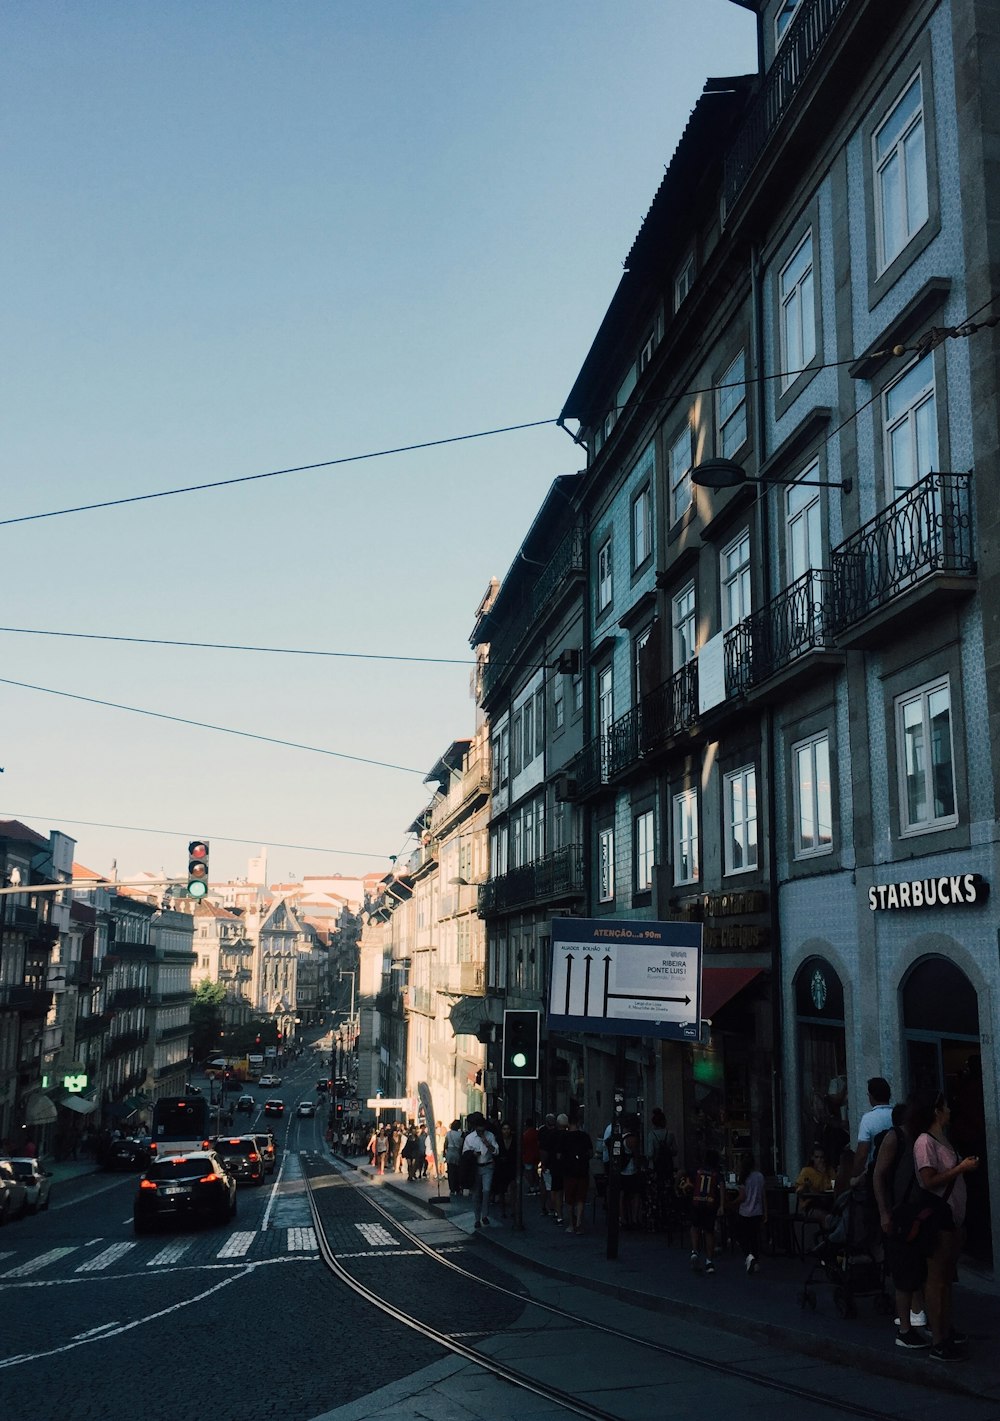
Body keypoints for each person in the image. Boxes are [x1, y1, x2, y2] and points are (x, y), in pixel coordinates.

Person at [912, 1089, 979, 1361]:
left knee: (947, 1279)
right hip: (938, 1217)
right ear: (936, 1111)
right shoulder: (925, 1142)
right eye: (946, 1107)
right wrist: (961, 1168)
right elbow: (928, 1180)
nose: (950, 1111)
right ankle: (938, 1339)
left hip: (953, 1218)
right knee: (937, 1278)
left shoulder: (944, 1139)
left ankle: (946, 1332)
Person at [873, 1101, 929, 1351]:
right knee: (904, 1272)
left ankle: (920, 1318)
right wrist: (885, 1212)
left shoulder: (921, 1138)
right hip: (900, 1213)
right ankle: (905, 1329)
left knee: (917, 1270)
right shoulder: (894, 1138)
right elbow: (878, 1175)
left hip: (919, 1213)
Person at [852, 1077, 894, 1182]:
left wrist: (855, 1176)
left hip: (876, 1174)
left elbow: (862, 1154)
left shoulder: (868, 1119)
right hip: (897, 1173)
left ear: (871, 1096)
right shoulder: (896, 1115)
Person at [462, 1112, 499, 1228]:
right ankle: (477, 1218)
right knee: (476, 1194)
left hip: (488, 1166)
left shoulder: (490, 1136)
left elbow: (496, 1151)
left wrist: (487, 1144)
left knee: (486, 1191)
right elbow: (464, 1153)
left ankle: (485, 1215)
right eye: (478, 1130)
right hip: (475, 1167)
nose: (480, 1132)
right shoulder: (470, 1138)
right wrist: (472, 1154)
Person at [689, 1150, 723, 1274]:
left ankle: (694, 1251)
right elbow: (722, 1187)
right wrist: (722, 1205)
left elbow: (684, 1174)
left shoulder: (698, 1170)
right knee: (709, 1232)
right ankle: (709, 1260)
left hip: (697, 1201)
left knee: (695, 1226)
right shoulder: (716, 1173)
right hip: (710, 1203)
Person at [559, 1116, 594, 1234]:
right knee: (580, 1198)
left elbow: (559, 1155)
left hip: (569, 1171)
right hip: (582, 1171)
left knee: (569, 1199)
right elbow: (590, 1153)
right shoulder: (585, 1136)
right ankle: (579, 1223)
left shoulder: (564, 1137)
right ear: (579, 1123)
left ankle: (571, 1224)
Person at [734, 1152, 767, 1273]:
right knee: (754, 1237)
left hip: (745, 1211)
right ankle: (755, 1260)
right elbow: (763, 1196)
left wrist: (732, 1203)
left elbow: (742, 1196)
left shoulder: (743, 1177)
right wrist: (765, 1212)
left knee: (742, 1236)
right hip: (757, 1211)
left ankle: (749, 1256)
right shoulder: (759, 1176)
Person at [794, 1145, 837, 1218]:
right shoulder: (807, 1171)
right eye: (817, 1157)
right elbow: (799, 1189)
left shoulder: (830, 1170)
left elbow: (834, 1184)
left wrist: (824, 1174)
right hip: (812, 1203)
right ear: (812, 1158)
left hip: (828, 1201)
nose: (820, 1160)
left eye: (822, 1157)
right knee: (826, 1216)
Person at [444, 1119, 464, 1199]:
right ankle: (458, 1187)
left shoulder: (448, 1133)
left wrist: (444, 1152)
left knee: (451, 1172)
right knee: (458, 1171)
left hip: (450, 1153)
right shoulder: (461, 1134)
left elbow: (446, 1143)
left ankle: (452, 1188)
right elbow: (462, 1145)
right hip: (458, 1153)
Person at [521, 1117, 540, 1195]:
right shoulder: (537, 1133)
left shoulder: (525, 1135)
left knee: (528, 1172)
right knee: (535, 1171)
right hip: (536, 1155)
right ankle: (537, 1186)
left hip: (528, 1156)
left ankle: (532, 1186)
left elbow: (523, 1146)